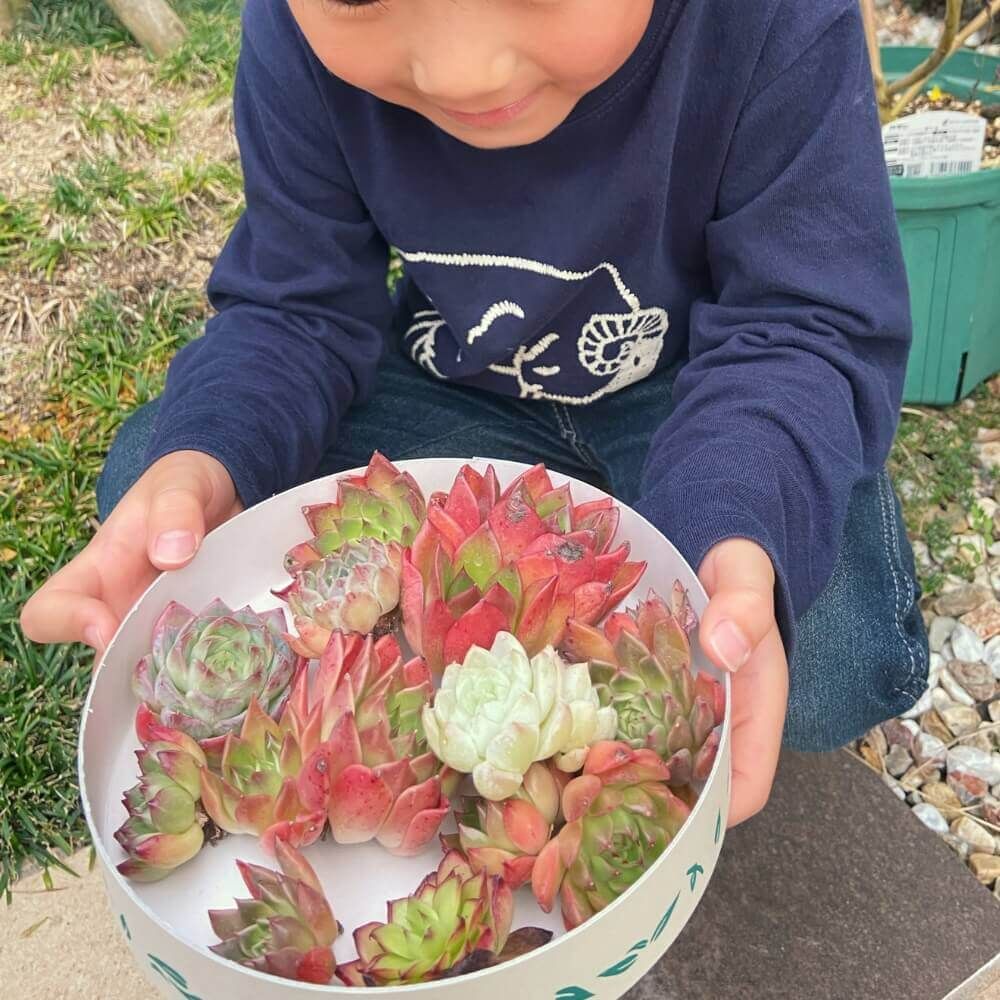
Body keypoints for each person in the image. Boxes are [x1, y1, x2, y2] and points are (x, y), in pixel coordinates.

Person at [20, 0, 929, 825]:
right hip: (451, 382)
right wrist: (206, 458)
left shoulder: (777, 20)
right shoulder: (291, 33)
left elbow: (800, 324)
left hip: (710, 393)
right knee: (167, 483)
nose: (463, 74)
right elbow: (297, 310)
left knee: (827, 656)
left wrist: (741, 518)